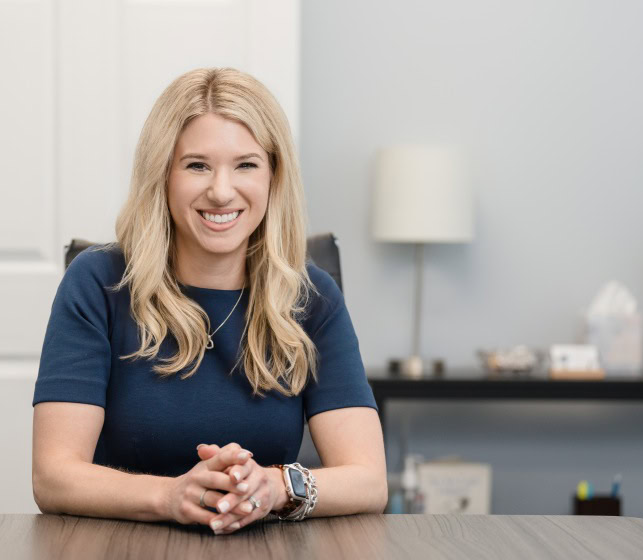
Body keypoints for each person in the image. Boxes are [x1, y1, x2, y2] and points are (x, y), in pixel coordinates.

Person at [31, 67, 387, 535]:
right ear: (163, 174)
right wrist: (170, 496)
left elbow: (369, 480)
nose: (221, 191)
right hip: (122, 543)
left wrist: (275, 487)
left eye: (246, 165)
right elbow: (52, 476)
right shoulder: (98, 283)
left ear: (273, 176)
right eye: (197, 165)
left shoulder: (312, 296)